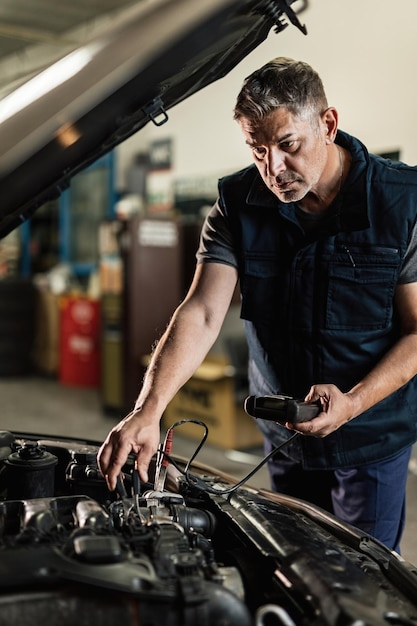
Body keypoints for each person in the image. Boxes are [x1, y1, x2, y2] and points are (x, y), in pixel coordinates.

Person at [98, 57, 417, 553]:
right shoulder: (235, 205)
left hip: (370, 436)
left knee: (362, 577)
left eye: (288, 145)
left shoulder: (403, 204)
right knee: (293, 561)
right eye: (256, 149)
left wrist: (353, 402)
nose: (273, 169)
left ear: (327, 125)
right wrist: (149, 407)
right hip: (284, 432)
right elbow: (202, 311)